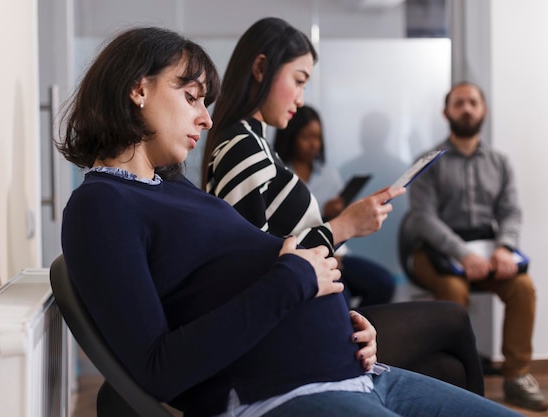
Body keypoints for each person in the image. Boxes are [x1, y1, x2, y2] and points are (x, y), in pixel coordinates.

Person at [56, 25, 523, 417]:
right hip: (286, 392)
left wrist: (344, 324)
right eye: (192, 96)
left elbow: (236, 286)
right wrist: (294, 277)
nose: (204, 118)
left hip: (357, 373)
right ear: (138, 89)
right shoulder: (101, 206)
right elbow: (157, 367)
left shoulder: (172, 188)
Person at [198, 17, 487, 394]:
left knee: (447, 368)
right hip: (294, 337)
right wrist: (344, 226)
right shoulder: (242, 147)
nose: (301, 98)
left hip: (310, 320)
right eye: (299, 80)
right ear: (260, 69)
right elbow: (256, 270)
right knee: (452, 320)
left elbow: (271, 251)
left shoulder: (255, 144)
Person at [401, 81, 547, 412]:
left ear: (483, 110)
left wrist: (505, 248)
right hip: (435, 252)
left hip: (487, 250)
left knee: (523, 287)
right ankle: (456, 381)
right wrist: (461, 253)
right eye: (459, 103)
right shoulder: (428, 161)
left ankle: (517, 376)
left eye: (472, 102)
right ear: (446, 112)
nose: (466, 109)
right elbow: (423, 217)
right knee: (454, 289)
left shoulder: (500, 162)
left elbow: (511, 212)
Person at [273, 104, 396, 307]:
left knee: (383, 283)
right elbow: (283, 227)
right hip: (303, 254)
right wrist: (324, 213)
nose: (314, 144)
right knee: (340, 298)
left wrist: (340, 213)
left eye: (318, 138)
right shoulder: (279, 175)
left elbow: (344, 221)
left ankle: (362, 331)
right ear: (290, 137)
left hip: (337, 250)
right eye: (306, 137)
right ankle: (345, 332)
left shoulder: (329, 175)